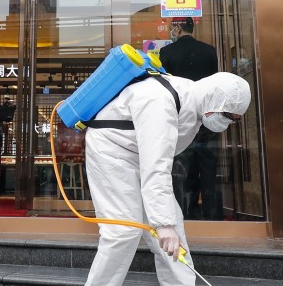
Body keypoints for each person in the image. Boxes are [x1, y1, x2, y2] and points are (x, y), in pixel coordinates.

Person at [83, 71, 250, 286]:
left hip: (137, 157)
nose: (227, 124)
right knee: (124, 231)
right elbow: (156, 166)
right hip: (111, 152)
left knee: (174, 229)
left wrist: (166, 224)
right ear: (215, 102)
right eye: (229, 117)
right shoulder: (161, 101)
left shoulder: (193, 107)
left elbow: (156, 162)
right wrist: (162, 224)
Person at [159, 18, 223, 220]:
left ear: (178, 28)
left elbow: (164, 88)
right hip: (206, 117)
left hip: (180, 118)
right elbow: (213, 85)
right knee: (208, 167)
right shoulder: (209, 51)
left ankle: (183, 214)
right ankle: (212, 216)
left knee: (180, 169)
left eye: (173, 27)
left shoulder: (166, 52)